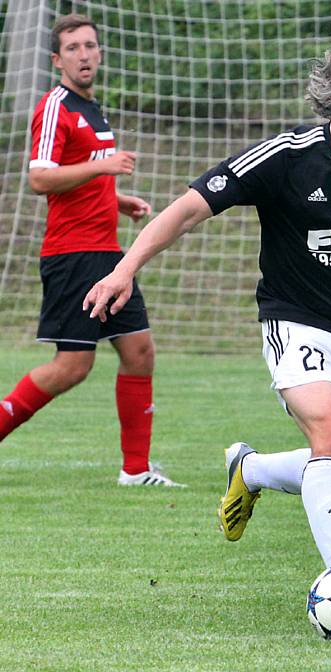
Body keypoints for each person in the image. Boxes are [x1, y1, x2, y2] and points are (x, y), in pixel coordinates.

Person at [83, 42, 331, 580]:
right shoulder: (285, 157)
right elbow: (189, 210)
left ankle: (251, 469)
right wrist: (125, 268)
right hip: (295, 320)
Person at [0, 14, 181, 487]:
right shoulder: (55, 106)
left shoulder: (92, 108)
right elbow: (41, 176)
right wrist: (103, 167)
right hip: (73, 255)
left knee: (140, 351)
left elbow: (76, 176)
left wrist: (116, 199)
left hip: (109, 254)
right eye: (74, 48)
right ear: (58, 60)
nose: (84, 54)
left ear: (100, 53)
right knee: (71, 367)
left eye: (90, 46)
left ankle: (136, 470)